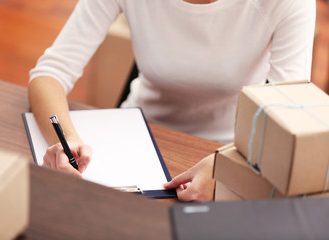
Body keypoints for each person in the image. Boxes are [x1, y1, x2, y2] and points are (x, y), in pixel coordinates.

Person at [28, 0, 316, 201]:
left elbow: (289, 116)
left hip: (234, 150)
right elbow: (50, 73)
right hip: (130, 142)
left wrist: (226, 169)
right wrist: (66, 140)